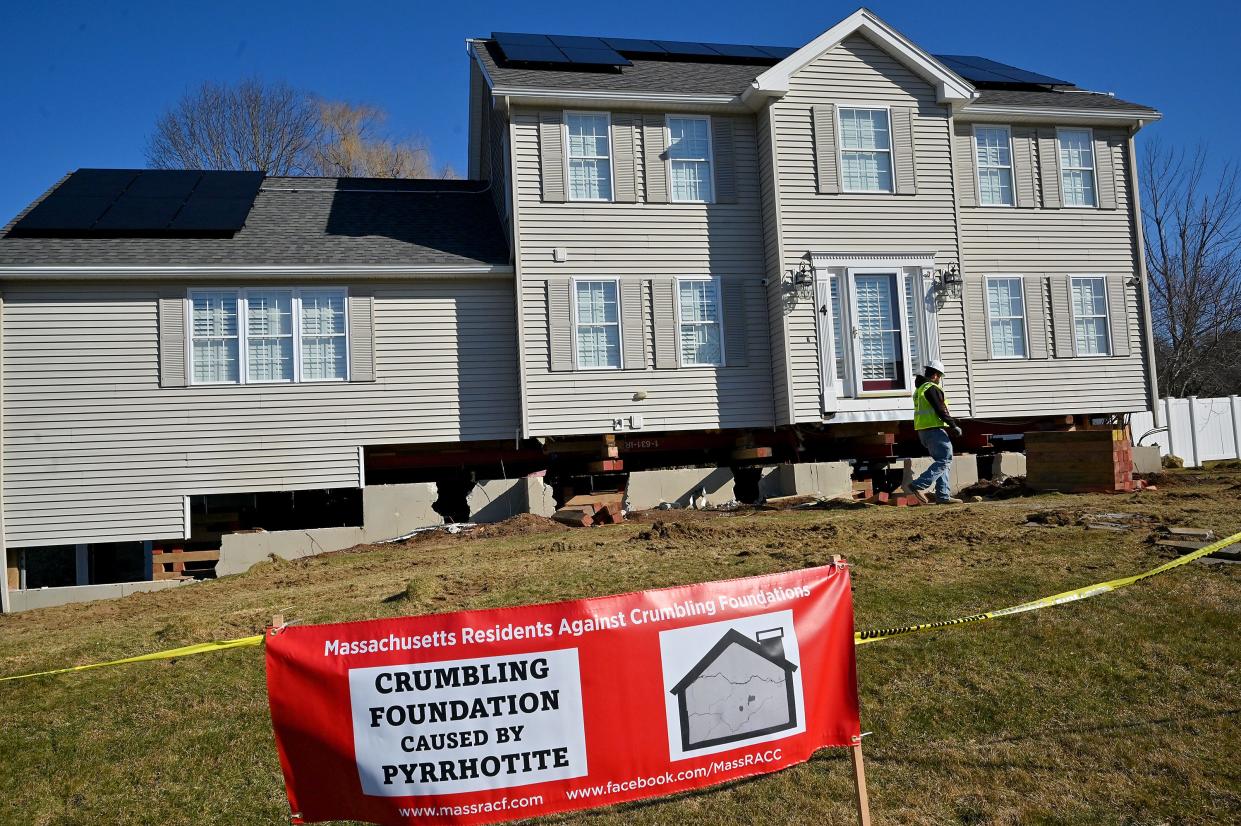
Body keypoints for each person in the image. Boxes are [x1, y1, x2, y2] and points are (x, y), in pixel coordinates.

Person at [903, 359, 965, 505]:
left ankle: (943, 496)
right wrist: (953, 425)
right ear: (936, 375)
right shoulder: (931, 388)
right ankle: (919, 484)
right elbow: (940, 409)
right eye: (940, 377)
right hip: (934, 430)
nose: (939, 380)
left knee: (942, 462)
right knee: (945, 459)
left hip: (924, 431)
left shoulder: (920, 389)